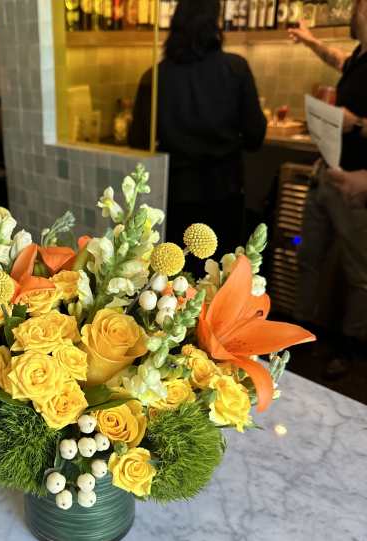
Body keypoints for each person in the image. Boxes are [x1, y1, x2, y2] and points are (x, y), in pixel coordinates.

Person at [130, 0, 266, 255]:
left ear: (174, 24)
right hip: (224, 191)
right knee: (223, 269)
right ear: (215, 23)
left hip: (174, 194)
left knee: (175, 270)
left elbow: (137, 142)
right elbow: (255, 136)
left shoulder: (155, 76)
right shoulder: (236, 68)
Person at [290, 0, 367, 378]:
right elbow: (338, 58)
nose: (351, 12)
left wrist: (360, 123)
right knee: (309, 259)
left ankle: (351, 350)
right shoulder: (358, 57)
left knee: (360, 275)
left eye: (355, 6)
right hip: (327, 175)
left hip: (356, 184)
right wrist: (309, 40)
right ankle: (300, 334)